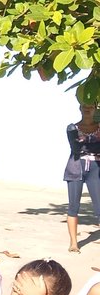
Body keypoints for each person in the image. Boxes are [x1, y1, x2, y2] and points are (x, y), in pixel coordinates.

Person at [66, 99, 100, 253]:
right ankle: (74, 243)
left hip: (95, 169)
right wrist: (92, 146)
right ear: (80, 108)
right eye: (85, 106)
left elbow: (82, 146)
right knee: (73, 206)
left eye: (91, 106)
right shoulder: (72, 127)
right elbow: (75, 147)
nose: (88, 109)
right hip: (75, 167)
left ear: (95, 109)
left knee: (99, 207)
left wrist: (84, 146)